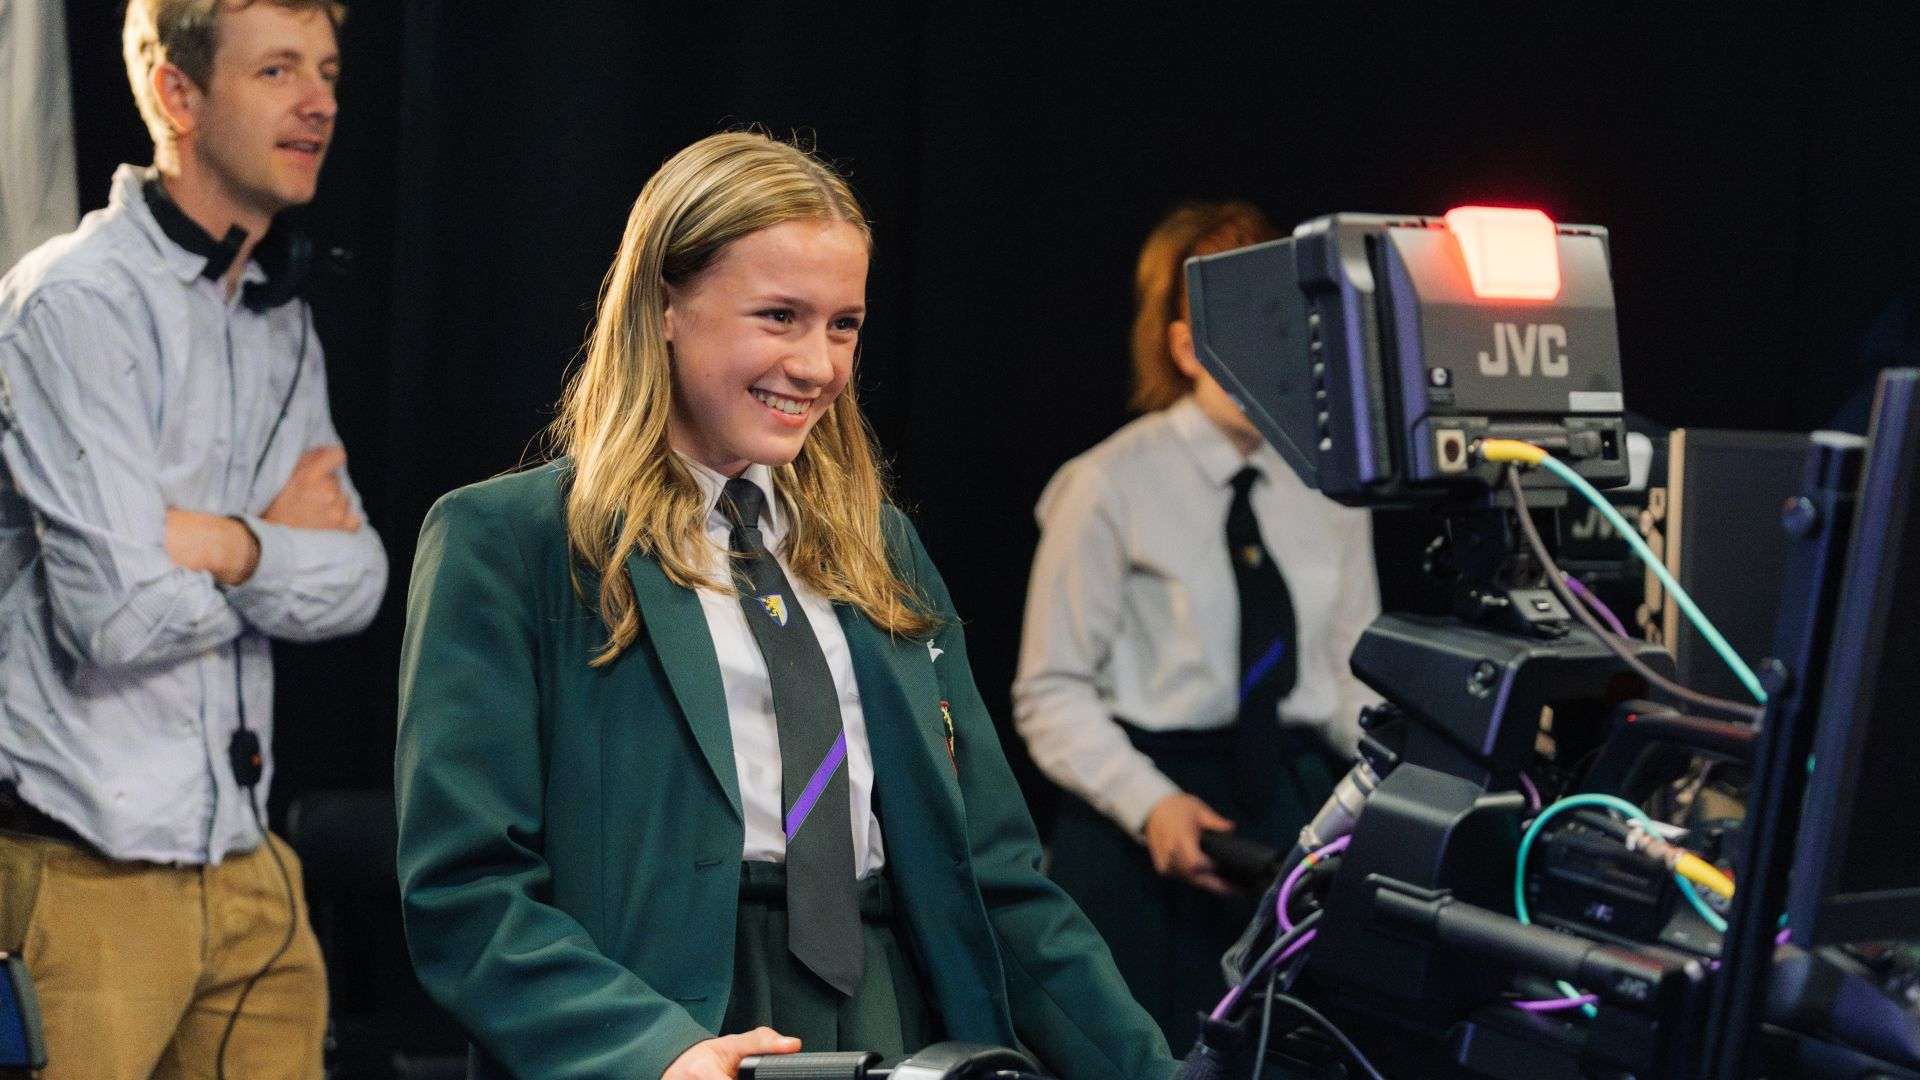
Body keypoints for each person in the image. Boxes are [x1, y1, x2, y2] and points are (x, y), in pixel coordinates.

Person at [393, 131, 1178, 1080]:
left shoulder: (880, 549)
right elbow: (466, 891)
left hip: (897, 1013)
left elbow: (998, 881)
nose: (817, 365)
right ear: (664, 306)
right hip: (668, 1029)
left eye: (843, 325)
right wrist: (657, 1054)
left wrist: (1152, 1069)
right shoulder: (510, 543)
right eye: (779, 316)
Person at [0, 1, 384, 1077]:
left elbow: (358, 580)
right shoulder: (74, 306)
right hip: (86, 879)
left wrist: (222, 541)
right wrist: (274, 540)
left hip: (252, 867)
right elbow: (118, 618)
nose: (319, 101)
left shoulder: (276, 313)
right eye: (276, 70)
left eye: (328, 70)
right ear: (177, 94)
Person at [1012, 200, 1382, 1051]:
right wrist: (1154, 807)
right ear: (1185, 345)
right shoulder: (1107, 483)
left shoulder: (1330, 486)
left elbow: (1349, 679)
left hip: (1291, 819)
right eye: (1253, 329)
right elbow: (1051, 691)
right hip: (1144, 828)